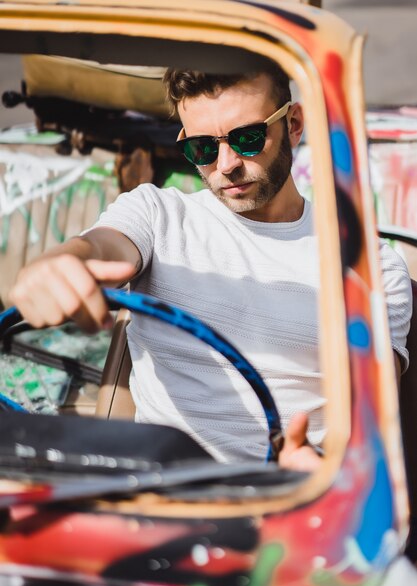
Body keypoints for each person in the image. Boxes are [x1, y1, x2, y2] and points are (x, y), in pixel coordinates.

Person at [8, 64, 412, 470]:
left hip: (292, 500)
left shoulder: (370, 267)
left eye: (248, 138)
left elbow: (371, 422)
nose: (225, 164)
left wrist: (325, 468)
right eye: (202, 147)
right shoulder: (157, 214)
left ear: (293, 124)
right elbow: (100, 246)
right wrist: (57, 264)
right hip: (154, 492)